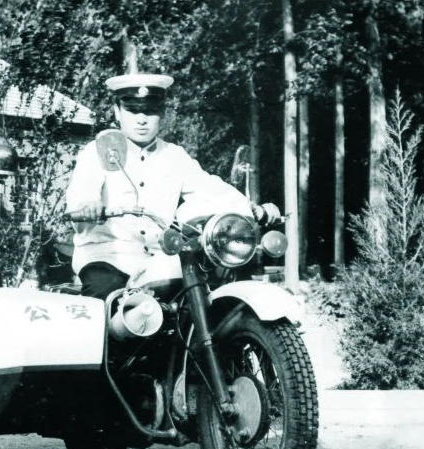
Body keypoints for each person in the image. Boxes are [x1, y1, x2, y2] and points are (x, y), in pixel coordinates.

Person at [65, 72, 280, 300]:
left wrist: (253, 209)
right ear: (117, 111)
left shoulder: (174, 156)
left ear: (162, 113)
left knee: (197, 292)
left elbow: (211, 188)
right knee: (103, 297)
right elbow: (82, 189)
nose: (141, 119)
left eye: (150, 111)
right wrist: (88, 204)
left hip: (160, 258)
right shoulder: (99, 150)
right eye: (132, 110)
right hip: (107, 255)